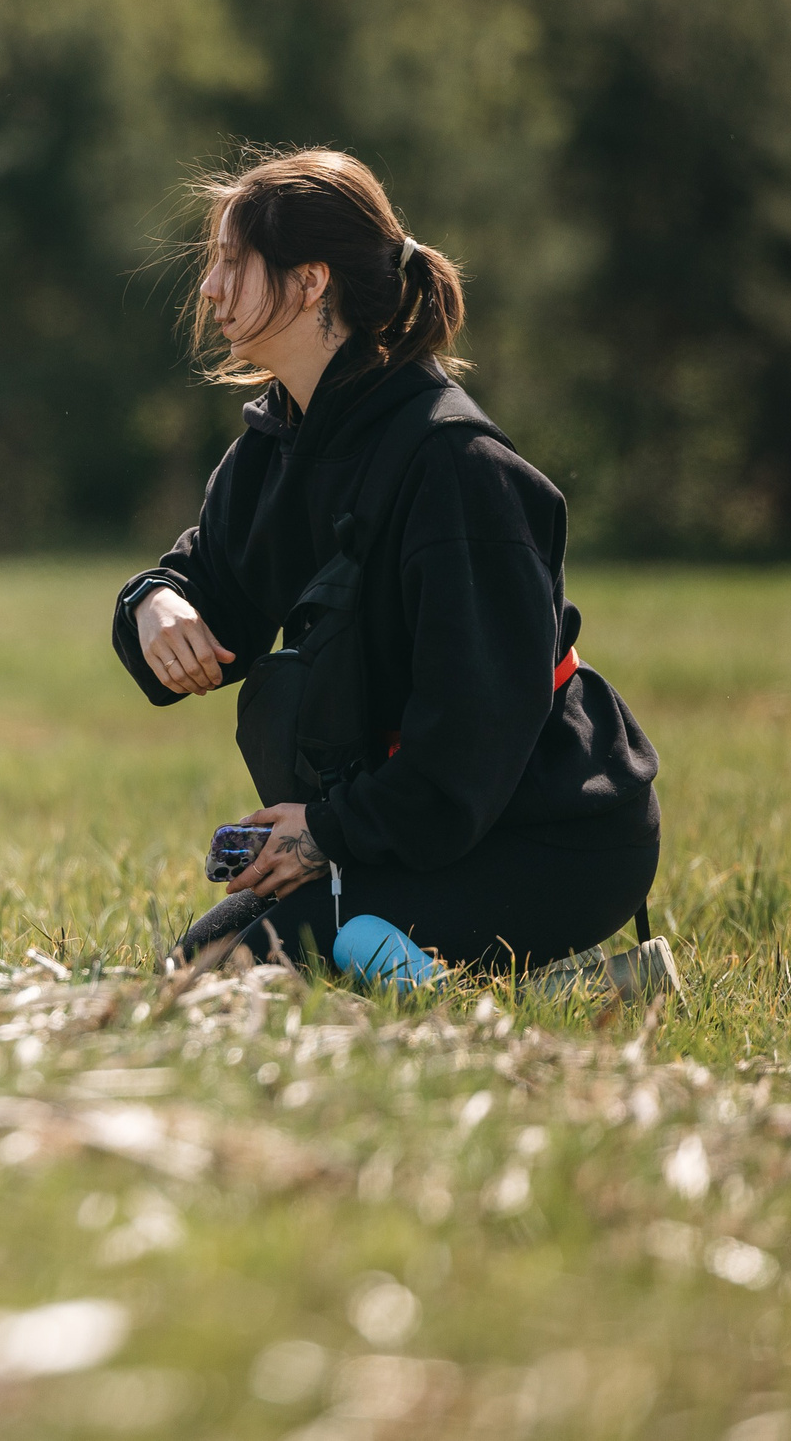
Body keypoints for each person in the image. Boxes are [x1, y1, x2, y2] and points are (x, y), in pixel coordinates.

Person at [113, 149, 661, 973]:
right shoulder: (274, 447)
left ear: (309, 281)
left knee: (234, 967)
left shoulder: (456, 467)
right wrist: (155, 604)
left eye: (233, 262)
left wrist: (326, 835)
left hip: (548, 836)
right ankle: (509, 978)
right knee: (205, 957)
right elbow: (211, 590)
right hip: (410, 824)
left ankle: (576, 985)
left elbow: (471, 742)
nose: (209, 288)